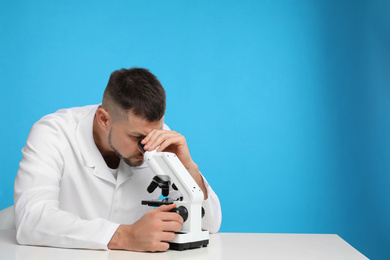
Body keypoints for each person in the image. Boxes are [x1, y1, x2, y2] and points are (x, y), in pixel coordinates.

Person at [14, 67, 222, 252]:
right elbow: (31, 219)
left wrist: (188, 168)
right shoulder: (54, 133)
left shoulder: (159, 138)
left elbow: (210, 224)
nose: (147, 147)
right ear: (104, 119)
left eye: (154, 132)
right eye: (137, 138)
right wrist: (126, 235)